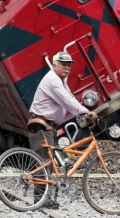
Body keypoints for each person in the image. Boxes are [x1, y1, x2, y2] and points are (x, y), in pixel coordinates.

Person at [27, 51, 97, 209]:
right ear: (54, 65)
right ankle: (40, 200)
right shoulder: (53, 80)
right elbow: (66, 100)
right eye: (63, 64)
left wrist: (82, 113)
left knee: (48, 162)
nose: (67, 68)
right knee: (43, 162)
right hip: (41, 124)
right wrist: (85, 111)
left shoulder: (61, 80)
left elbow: (69, 97)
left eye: (69, 65)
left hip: (48, 125)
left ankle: (45, 198)